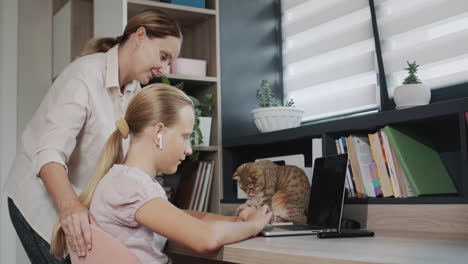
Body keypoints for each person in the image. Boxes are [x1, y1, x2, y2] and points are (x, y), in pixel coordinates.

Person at [4, 8, 182, 264]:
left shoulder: (134, 93)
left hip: (79, 206)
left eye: (169, 62)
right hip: (42, 201)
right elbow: (49, 153)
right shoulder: (84, 75)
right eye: (163, 56)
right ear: (140, 36)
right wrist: (70, 207)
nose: (164, 68)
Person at [49, 84, 273, 263]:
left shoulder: (126, 181)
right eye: (185, 136)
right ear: (158, 133)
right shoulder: (131, 186)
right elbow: (205, 238)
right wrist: (252, 226)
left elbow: (183, 217)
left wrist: (233, 220)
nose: (188, 150)